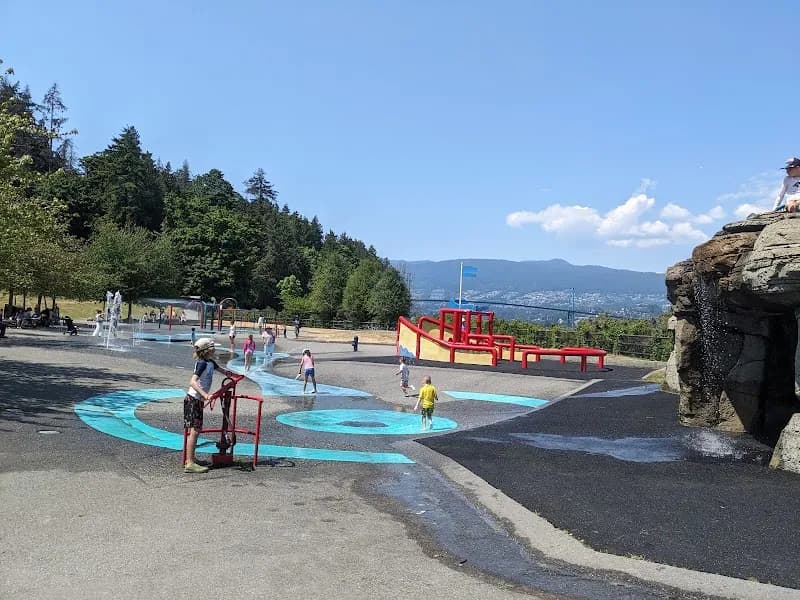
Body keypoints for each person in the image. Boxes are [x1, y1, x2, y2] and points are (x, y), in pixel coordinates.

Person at [183, 337, 235, 473]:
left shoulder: (210, 362)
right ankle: (189, 463)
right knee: (195, 431)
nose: (215, 349)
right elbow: (192, 382)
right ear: (207, 350)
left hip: (197, 400)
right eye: (213, 347)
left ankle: (190, 459)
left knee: (196, 430)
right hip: (193, 399)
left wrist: (234, 375)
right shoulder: (202, 363)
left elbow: (223, 371)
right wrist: (205, 395)